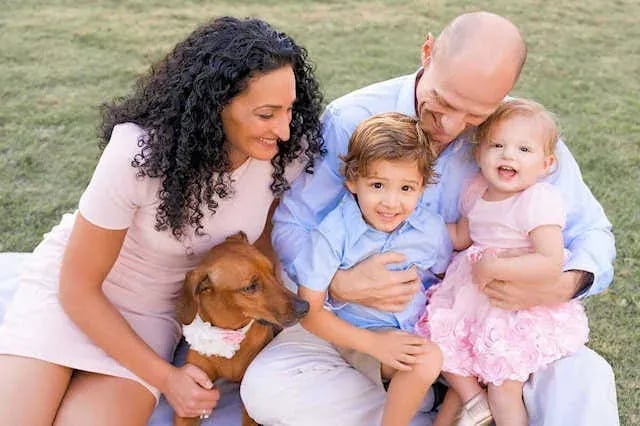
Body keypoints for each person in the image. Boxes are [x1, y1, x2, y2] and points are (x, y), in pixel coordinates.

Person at [241, 11, 618, 426]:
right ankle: (435, 411)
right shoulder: (353, 118)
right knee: (268, 388)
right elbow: (295, 225)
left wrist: (562, 285)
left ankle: (456, 405)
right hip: (367, 323)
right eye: (445, 103)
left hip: (492, 324)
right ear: (427, 52)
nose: (452, 126)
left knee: (588, 378)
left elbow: (592, 234)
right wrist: (339, 284)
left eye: (476, 117)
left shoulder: (520, 136)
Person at [0, 16, 323, 425]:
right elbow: (78, 287)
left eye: (290, 109)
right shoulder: (137, 153)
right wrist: (168, 379)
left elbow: (263, 246)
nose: (283, 129)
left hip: (152, 313)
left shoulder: (284, 152)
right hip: (73, 294)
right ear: (215, 105)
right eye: (266, 113)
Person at [415, 98, 590, 426]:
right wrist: (418, 231)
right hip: (469, 295)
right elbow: (462, 235)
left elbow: (550, 261)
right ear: (479, 155)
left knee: (502, 383)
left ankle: (498, 412)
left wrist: (497, 268)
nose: (509, 155)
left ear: (546, 163)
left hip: (513, 303)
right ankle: (473, 402)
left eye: (524, 150)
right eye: (497, 145)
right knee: (441, 348)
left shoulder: (537, 201)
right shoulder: (475, 191)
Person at [294, 112, 447, 426]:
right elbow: (308, 311)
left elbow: (445, 274)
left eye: (406, 188)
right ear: (353, 180)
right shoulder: (334, 233)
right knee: (425, 359)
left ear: (422, 187)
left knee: (466, 349)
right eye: (378, 185)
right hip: (362, 335)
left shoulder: (430, 229)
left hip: (420, 327)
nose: (391, 202)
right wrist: (375, 344)